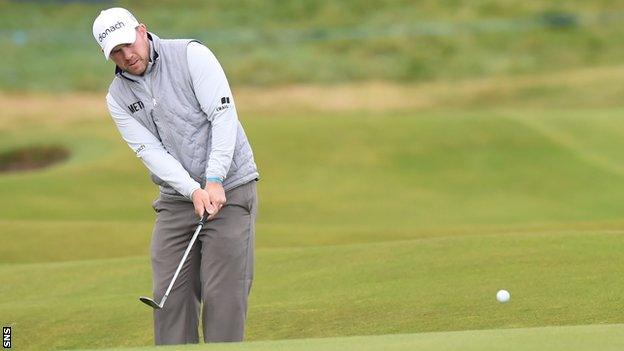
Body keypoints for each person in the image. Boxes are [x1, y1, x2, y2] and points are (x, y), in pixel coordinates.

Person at [91, 7, 259, 345]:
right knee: (169, 294)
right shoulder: (118, 98)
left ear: (142, 30)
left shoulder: (191, 55)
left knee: (222, 295)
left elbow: (223, 116)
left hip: (231, 186)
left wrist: (214, 179)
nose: (127, 56)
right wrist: (192, 191)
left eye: (128, 44)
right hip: (176, 200)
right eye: (115, 52)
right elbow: (150, 152)